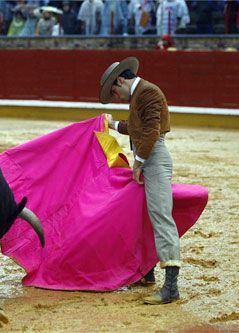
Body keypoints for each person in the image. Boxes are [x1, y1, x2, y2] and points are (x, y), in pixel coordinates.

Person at [99, 57, 181, 305]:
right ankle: (147, 273)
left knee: (160, 217)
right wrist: (111, 124)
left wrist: (139, 161)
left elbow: (151, 131)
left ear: (121, 80)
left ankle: (171, 287)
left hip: (154, 159)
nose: (116, 96)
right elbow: (136, 127)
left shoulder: (148, 92)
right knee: (141, 217)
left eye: (115, 90)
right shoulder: (140, 95)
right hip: (148, 159)